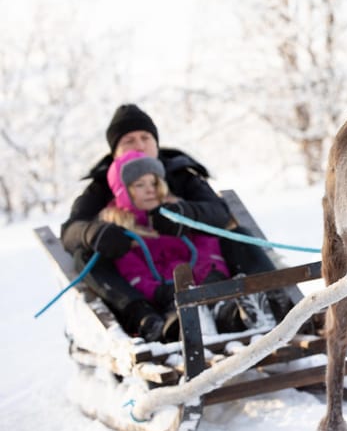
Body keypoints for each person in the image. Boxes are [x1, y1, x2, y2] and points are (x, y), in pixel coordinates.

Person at [60, 104, 291, 340]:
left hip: (198, 265)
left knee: (238, 236)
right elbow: (70, 231)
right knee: (86, 256)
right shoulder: (101, 187)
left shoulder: (180, 174)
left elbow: (219, 212)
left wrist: (184, 213)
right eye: (129, 140)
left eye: (145, 137)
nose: (139, 145)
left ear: (156, 142)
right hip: (140, 277)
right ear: (115, 150)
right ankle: (145, 319)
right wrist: (94, 233)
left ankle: (270, 298)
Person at [102, 150, 236, 341]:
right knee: (177, 316)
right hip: (167, 297)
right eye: (140, 185)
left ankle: (233, 315)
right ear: (123, 192)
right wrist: (158, 291)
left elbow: (207, 246)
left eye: (154, 183)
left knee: (220, 303)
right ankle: (184, 331)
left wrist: (212, 274)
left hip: (204, 286)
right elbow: (133, 274)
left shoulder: (176, 215)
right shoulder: (122, 232)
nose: (150, 190)